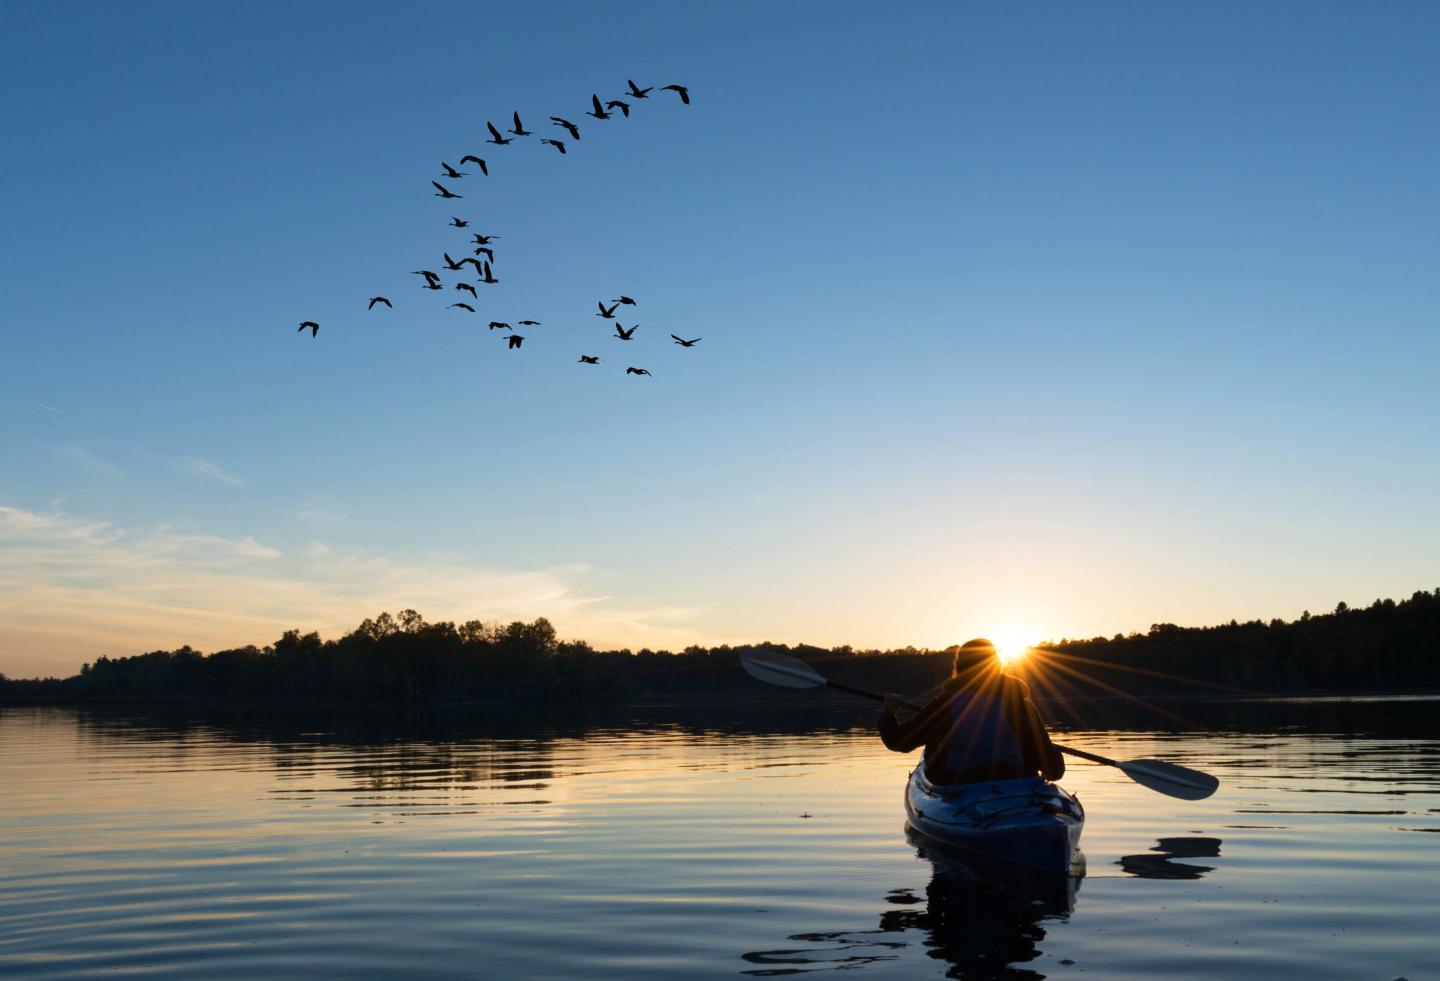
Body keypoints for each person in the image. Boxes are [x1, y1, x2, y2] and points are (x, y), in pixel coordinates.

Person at [878, 638, 1065, 784]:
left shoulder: (946, 705)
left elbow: (900, 741)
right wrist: (1052, 751)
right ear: (996, 666)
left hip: (957, 787)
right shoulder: (1020, 706)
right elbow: (1054, 771)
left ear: (960, 667)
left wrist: (888, 712)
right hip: (1016, 785)